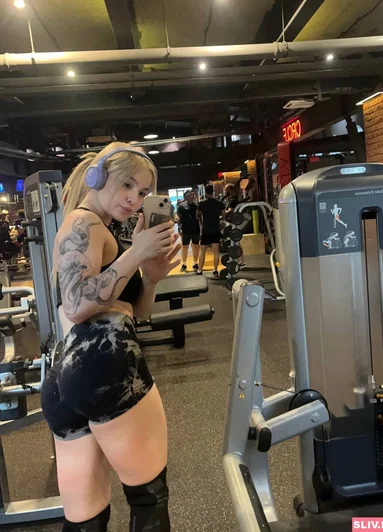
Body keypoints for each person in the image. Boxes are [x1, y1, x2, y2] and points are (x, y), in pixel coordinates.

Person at [40, 142, 181, 532]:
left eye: (143, 191)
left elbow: (135, 311)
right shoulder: (83, 224)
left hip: (69, 377)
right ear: (97, 178)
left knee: (85, 516)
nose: (134, 198)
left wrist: (151, 277)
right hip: (106, 367)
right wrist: (135, 254)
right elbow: (75, 305)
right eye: (127, 185)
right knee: (148, 499)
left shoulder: (103, 229)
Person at [197, 183, 225, 278]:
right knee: (216, 251)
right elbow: (224, 216)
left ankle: (200, 270)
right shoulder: (219, 203)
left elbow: (198, 215)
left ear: (205, 192)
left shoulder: (202, 203)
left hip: (206, 229)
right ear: (213, 191)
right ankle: (215, 270)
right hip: (216, 229)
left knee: (202, 251)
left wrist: (201, 221)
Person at [177, 190, 200, 272]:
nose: (191, 196)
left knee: (196, 246)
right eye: (189, 195)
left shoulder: (197, 206)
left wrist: (202, 228)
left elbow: (200, 217)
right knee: (185, 247)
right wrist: (179, 228)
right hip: (185, 230)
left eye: (192, 195)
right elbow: (179, 219)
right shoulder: (181, 206)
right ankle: (184, 264)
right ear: (186, 197)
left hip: (195, 229)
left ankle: (195, 263)